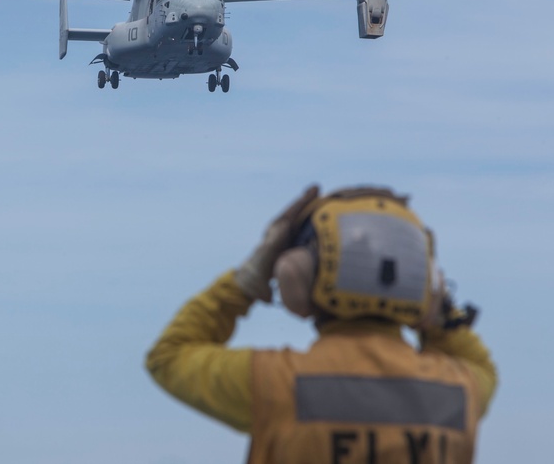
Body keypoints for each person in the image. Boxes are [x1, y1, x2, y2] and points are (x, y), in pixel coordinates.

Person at [146, 185, 497, 464]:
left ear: (295, 273)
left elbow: (169, 356)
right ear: (422, 281)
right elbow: (474, 360)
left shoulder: (276, 384)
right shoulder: (462, 390)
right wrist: (437, 313)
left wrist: (247, 280)